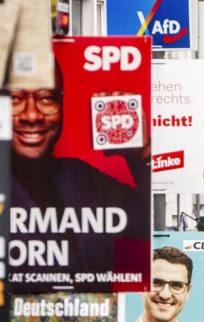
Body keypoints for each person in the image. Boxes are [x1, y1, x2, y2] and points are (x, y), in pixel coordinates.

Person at [10, 61, 151, 291]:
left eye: (46, 98)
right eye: (14, 98)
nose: (32, 115)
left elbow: (151, 225)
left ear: (61, 103)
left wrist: (141, 155)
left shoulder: (80, 177)